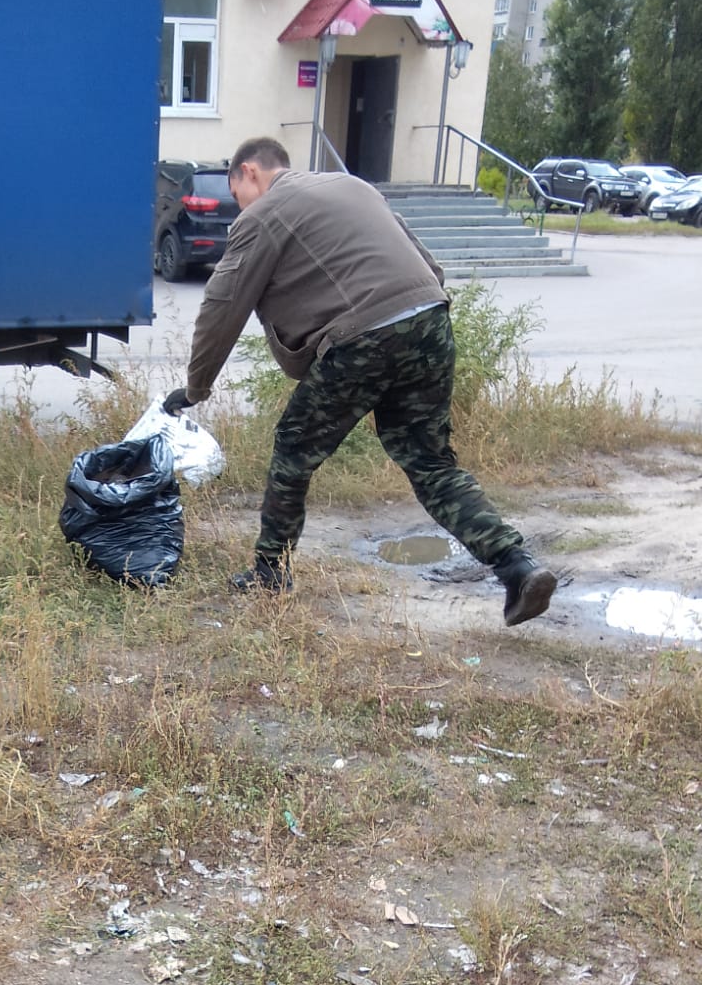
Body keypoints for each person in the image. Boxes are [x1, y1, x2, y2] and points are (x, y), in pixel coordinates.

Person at [163, 138, 557, 625]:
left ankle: (270, 573)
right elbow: (428, 265)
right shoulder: (353, 186)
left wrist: (197, 388)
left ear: (250, 172)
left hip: (362, 338)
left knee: (294, 448)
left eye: (236, 192)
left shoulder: (263, 214)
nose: (239, 205)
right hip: (430, 319)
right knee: (431, 463)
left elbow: (222, 308)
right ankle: (518, 568)